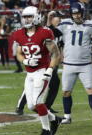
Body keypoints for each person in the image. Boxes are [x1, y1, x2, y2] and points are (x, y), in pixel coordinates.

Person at [14, 6, 61, 135]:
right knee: (31, 106)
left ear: (36, 17)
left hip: (42, 71)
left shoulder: (45, 32)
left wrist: (50, 71)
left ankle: (46, 129)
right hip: (29, 73)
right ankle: (54, 119)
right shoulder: (19, 33)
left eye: (29, 16)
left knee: (38, 102)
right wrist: (25, 61)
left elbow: (56, 54)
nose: (27, 19)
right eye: (24, 17)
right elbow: (18, 53)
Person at [57, 2, 92, 125]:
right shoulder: (64, 24)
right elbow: (53, 37)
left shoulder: (91, 25)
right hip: (68, 64)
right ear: (71, 14)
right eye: (74, 13)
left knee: (90, 89)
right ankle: (67, 117)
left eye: (78, 13)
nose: (77, 16)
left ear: (83, 13)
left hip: (85, 64)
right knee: (66, 91)